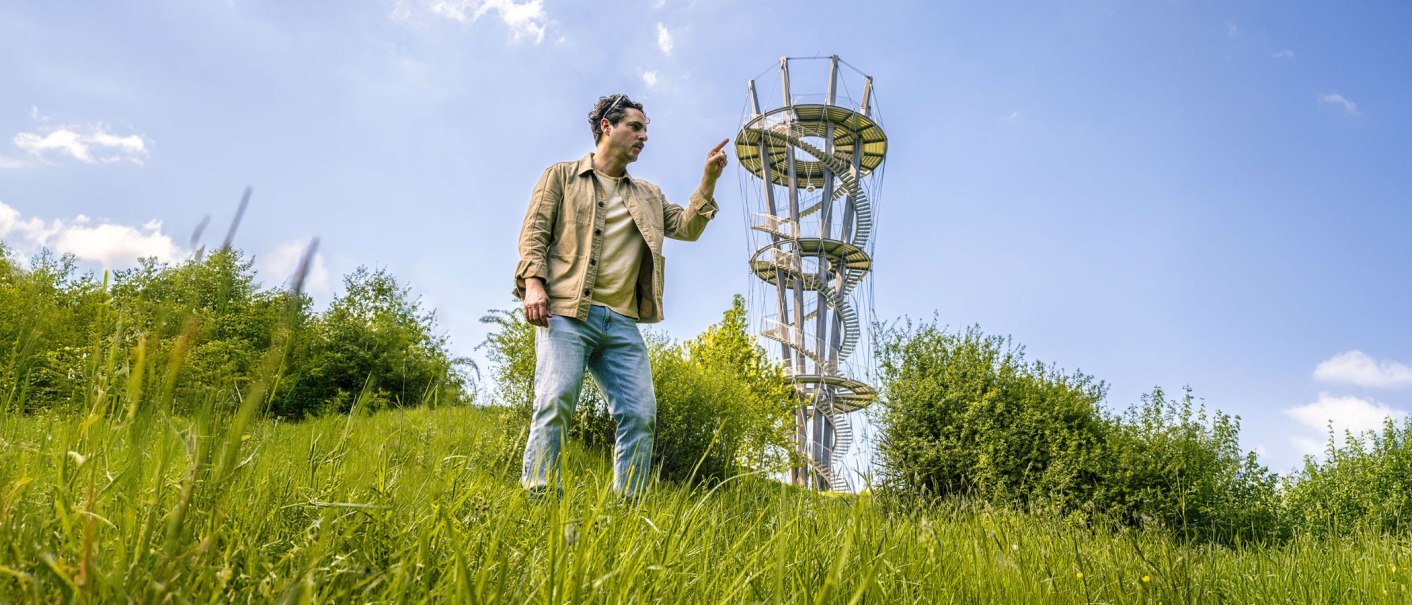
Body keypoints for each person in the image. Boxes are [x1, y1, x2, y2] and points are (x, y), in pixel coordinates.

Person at [514, 93, 729, 499]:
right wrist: (534, 284)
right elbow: (534, 234)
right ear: (606, 127)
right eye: (635, 127)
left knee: (639, 413)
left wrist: (708, 180)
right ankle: (540, 498)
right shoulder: (561, 176)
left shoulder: (648, 194)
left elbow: (687, 227)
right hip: (566, 312)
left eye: (646, 130)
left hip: (621, 323)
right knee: (556, 400)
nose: (644, 136)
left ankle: (626, 508)